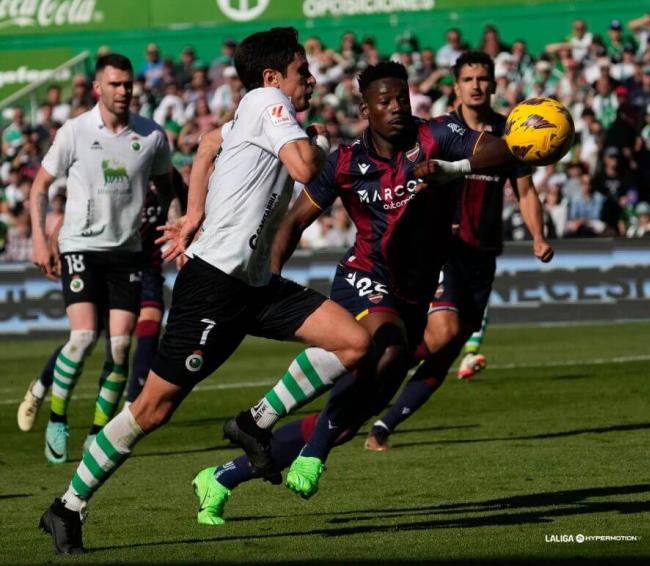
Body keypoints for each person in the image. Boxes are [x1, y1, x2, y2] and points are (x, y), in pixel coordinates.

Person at [39, 27, 372, 555]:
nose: (311, 78)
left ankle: (253, 422)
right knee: (153, 409)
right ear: (272, 78)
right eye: (301, 71)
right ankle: (67, 507)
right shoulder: (267, 101)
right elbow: (307, 168)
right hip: (214, 284)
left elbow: (211, 144)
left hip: (255, 284)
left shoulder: (254, 111)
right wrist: (322, 151)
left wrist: (194, 212)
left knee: (354, 342)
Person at [188, 60, 519, 523]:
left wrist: (453, 168)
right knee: (385, 350)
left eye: (402, 98)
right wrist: (269, 279)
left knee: (348, 417)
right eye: (384, 102)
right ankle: (315, 451)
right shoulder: (345, 162)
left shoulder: (438, 136)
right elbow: (295, 221)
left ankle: (221, 477)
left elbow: (505, 153)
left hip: (412, 296)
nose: (397, 108)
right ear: (366, 109)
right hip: (364, 278)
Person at [364, 51, 554, 451]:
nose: (477, 85)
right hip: (443, 250)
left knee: (448, 351)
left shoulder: (510, 134)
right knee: (444, 331)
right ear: (456, 86)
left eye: (483, 78)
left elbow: (525, 191)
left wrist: (538, 235)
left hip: (483, 255)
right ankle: (372, 371)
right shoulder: (440, 132)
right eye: (468, 79)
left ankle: (383, 426)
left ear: (494, 84)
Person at [29, 53, 173, 469]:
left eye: (128, 84)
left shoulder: (151, 136)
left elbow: (167, 187)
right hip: (80, 248)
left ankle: (98, 432)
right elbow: (40, 187)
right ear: (98, 88)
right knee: (83, 337)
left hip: (126, 252)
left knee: (121, 346)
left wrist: (178, 223)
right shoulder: (74, 131)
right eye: (115, 84)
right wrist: (40, 239)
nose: (123, 90)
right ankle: (57, 419)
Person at [17, 170, 187, 434]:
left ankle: (131, 407)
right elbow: (75, 212)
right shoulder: (119, 168)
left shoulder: (167, 173)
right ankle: (39, 388)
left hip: (148, 268)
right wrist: (51, 244)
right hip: (109, 264)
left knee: (148, 327)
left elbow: (185, 210)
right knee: (87, 335)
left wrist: (186, 238)